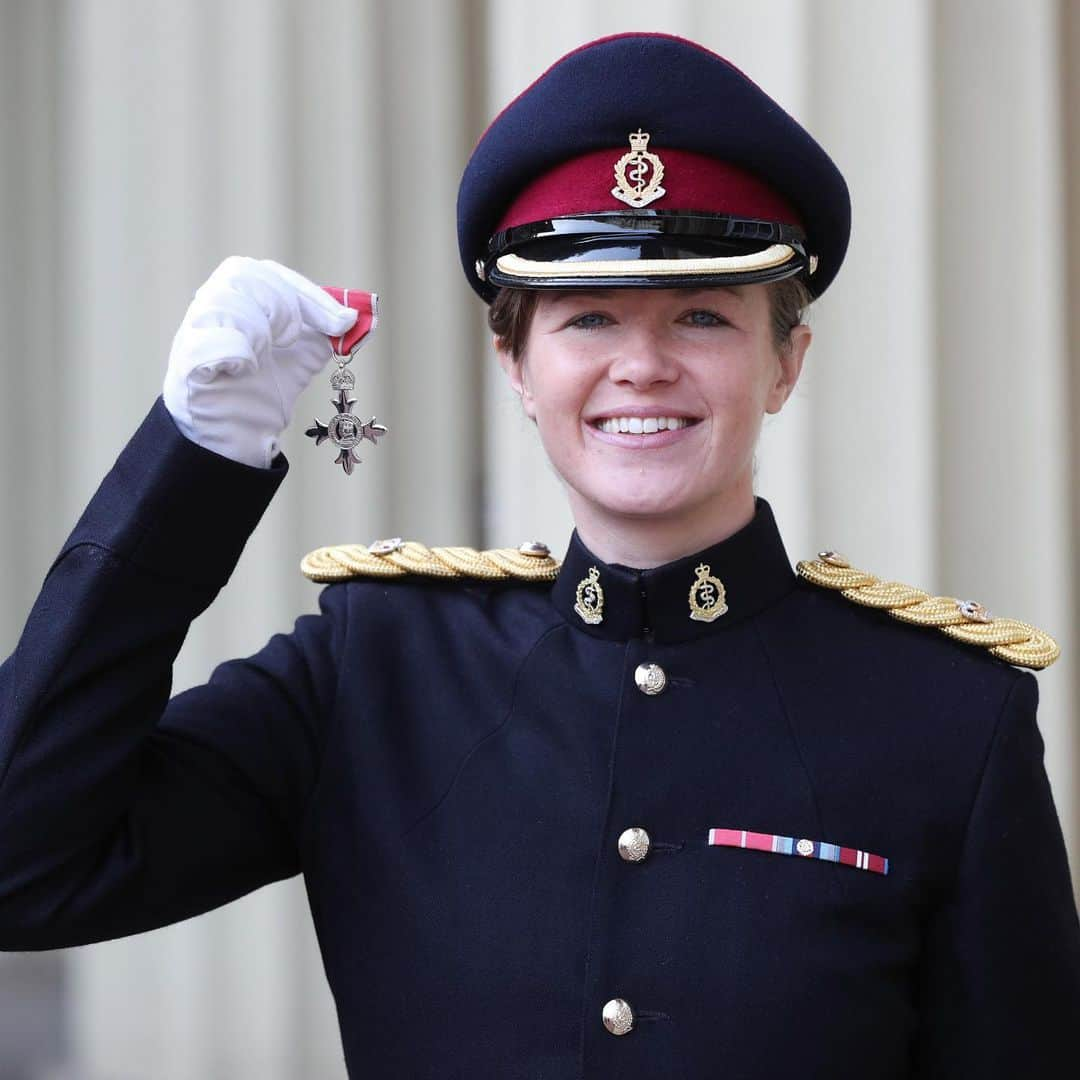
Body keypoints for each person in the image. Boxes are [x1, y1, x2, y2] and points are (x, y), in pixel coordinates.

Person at [1, 30, 1078, 1080]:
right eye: (590, 317)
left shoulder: (946, 719)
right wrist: (194, 466)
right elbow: (25, 866)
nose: (643, 366)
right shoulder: (376, 671)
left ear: (786, 360)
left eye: (703, 315)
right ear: (515, 364)